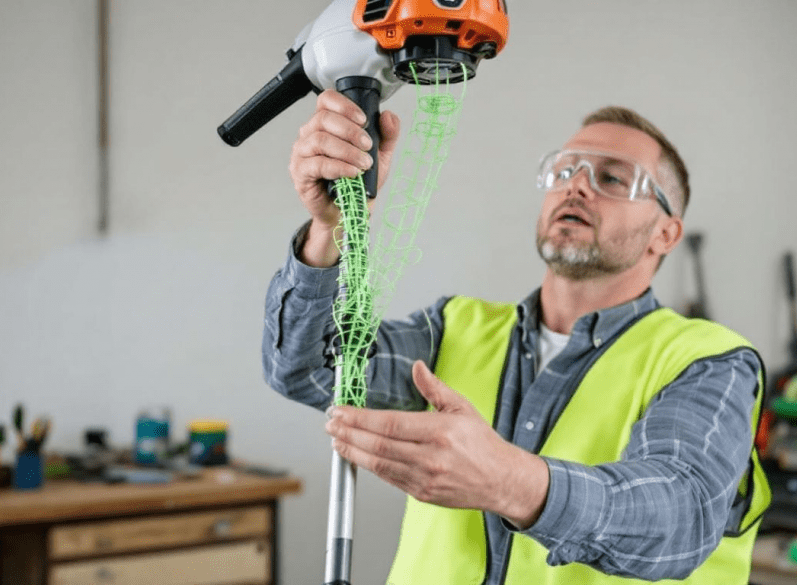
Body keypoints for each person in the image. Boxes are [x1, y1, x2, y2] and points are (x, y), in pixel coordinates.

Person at [263, 90, 770, 584]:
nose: (577, 186)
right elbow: (307, 369)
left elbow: (680, 519)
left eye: (613, 177)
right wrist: (331, 227)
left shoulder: (708, 361)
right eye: (565, 171)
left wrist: (509, 482)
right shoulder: (455, 328)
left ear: (666, 234)